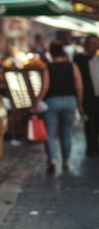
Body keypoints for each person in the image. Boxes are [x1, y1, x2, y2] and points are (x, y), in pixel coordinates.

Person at [34, 39, 84, 172]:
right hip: (70, 101)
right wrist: (80, 104)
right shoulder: (72, 66)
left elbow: (44, 88)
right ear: (63, 51)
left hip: (52, 102)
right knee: (66, 132)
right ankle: (66, 160)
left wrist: (36, 102)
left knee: (50, 133)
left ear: (50, 52)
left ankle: (52, 160)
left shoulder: (48, 68)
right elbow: (79, 87)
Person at [73, 34, 99, 156]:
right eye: (92, 43)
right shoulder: (79, 60)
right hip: (87, 96)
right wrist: (79, 101)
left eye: (96, 43)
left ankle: (96, 145)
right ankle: (91, 147)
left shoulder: (97, 59)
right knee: (90, 122)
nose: (94, 46)